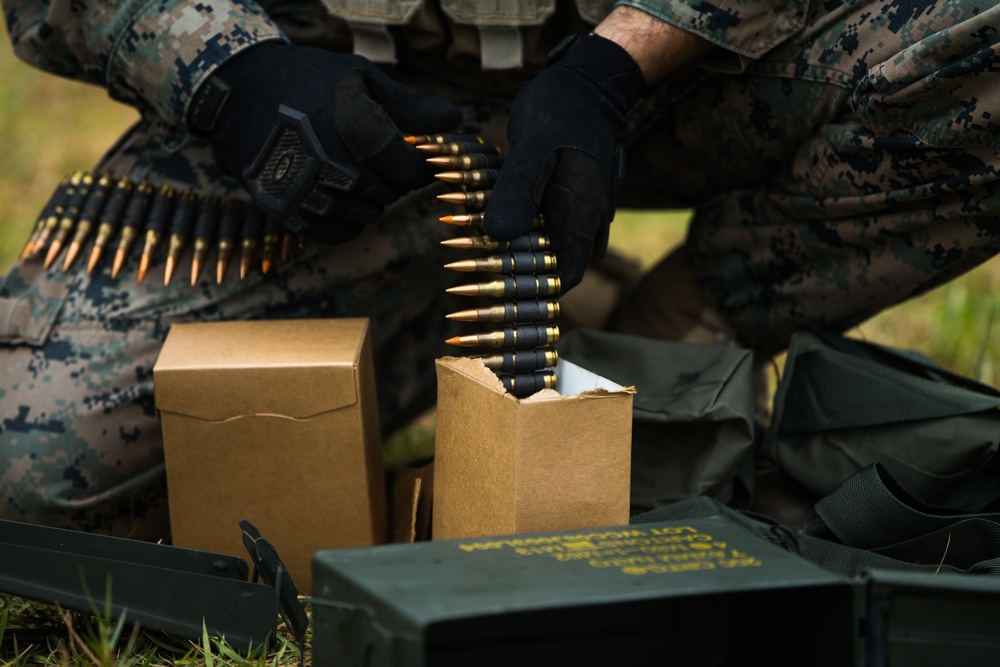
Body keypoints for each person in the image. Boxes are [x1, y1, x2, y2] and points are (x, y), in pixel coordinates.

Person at [1, 0, 998, 541]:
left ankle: (673, 338)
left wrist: (621, 61)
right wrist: (225, 70)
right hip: (332, 103)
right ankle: (455, 304)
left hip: (666, 70)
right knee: (27, 480)